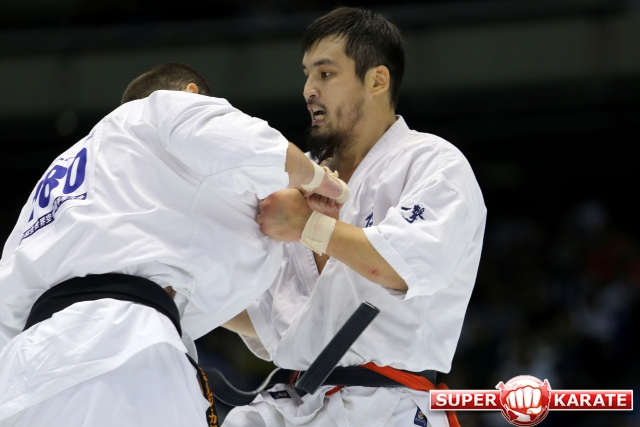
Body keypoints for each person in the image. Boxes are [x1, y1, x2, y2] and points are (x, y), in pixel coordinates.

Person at [0, 62, 348, 427]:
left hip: (21, 376)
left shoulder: (58, 181)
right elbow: (254, 148)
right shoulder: (158, 109)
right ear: (191, 95)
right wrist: (324, 184)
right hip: (119, 351)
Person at [222, 8, 486, 427]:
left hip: (389, 406)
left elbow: (401, 266)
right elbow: (261, 311)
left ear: (377, 80)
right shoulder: (295, 181)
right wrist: (174, 292)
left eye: (325, 74)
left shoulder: (433, 163)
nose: (309, 90)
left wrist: (311, 227)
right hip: (292, 405)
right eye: (307, 75)